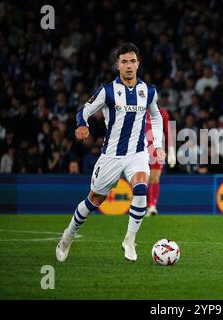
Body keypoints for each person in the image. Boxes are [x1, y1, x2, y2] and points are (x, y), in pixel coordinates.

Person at [56, 43, 165, 262]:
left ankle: (129, 240)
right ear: (117, 65)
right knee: (94, 199)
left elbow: (156, 116)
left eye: (132, 61)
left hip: (137, 153)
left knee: (142, 188)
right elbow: (84, 110)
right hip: (111, 155)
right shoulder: (107, 91)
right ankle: (68, 235)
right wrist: (81, 124)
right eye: (124, 61)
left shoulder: (148, 91)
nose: (129, 66)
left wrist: (159, 145)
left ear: (138, 64)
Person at [145, 106, 175, 216]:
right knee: (145, 179)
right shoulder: (139, 109)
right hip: (142, 149)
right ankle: (147, 205)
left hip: (158, 149)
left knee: (155, 177)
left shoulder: (162, 112)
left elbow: (167, 131)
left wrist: (171, 150)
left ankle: (152, 206)